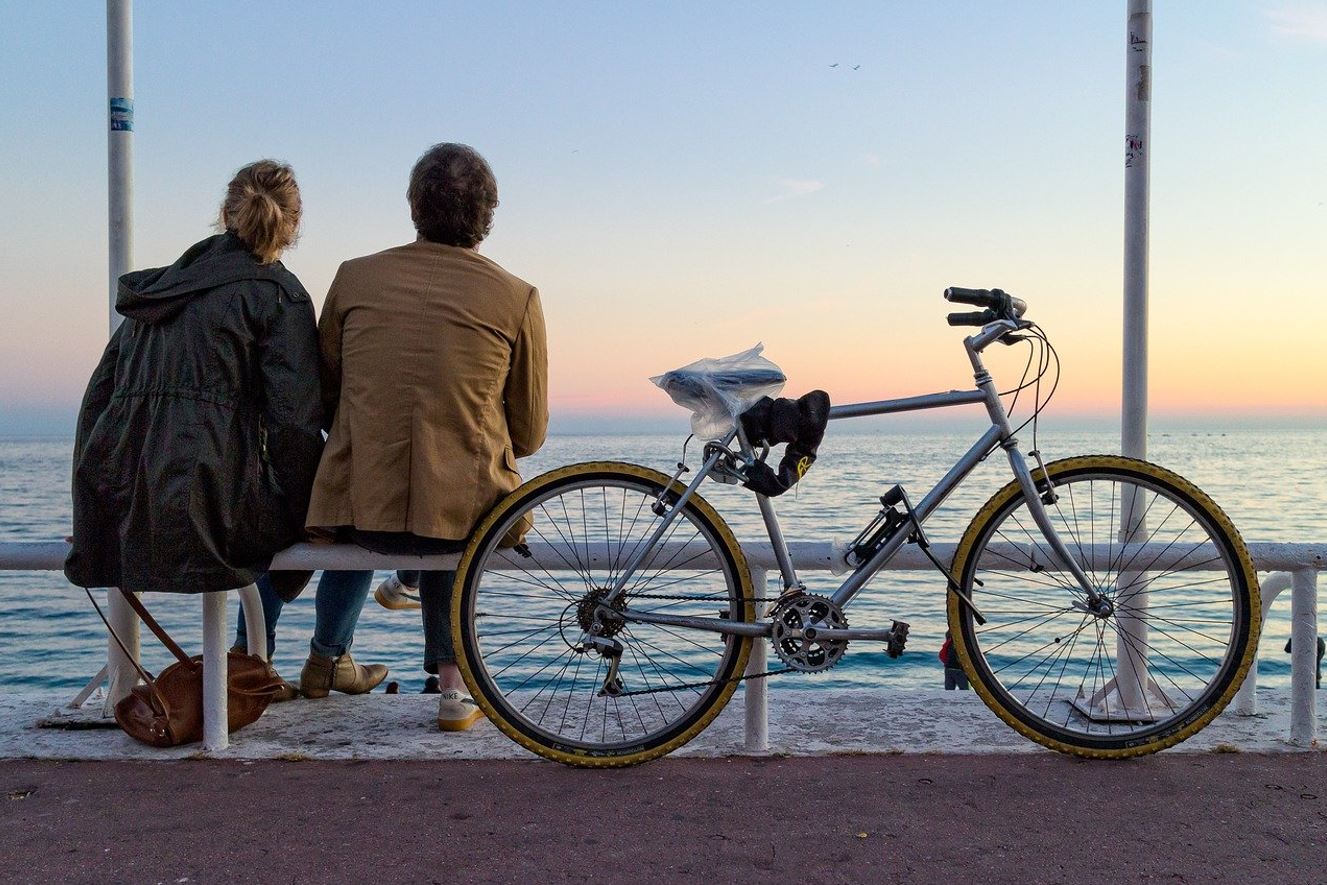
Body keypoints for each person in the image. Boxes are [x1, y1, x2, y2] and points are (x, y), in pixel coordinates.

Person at [255, 143, 548, 728]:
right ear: (488, 213)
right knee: (456, 509)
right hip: (459, 518)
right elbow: (530, 431)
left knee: (389, 497)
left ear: (413, 205)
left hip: (354, 507)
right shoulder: (517, 296)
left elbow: (328, 392)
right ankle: (453, 691)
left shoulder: (355, 276)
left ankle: (306, 659)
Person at [66, 160, 324, 697]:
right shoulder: (279, 296)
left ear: (224, 214)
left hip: (126, 503)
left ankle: (251, 659)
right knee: (345, 518)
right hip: (212, 510)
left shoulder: (159, 291)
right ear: (293, 226)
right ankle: (301, 657)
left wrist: (92, 511)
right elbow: (295, 429)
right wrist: (310, 515)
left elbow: (97, 405)